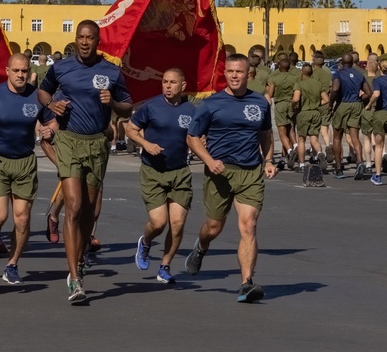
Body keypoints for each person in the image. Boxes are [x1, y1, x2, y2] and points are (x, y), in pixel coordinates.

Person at [38, 20, 133, 304]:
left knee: (89, 212)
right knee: (75, 206)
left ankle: (79, 261)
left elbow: (128, 105)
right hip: (68, 140)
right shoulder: (61, 68)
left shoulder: (111, 71)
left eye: (90, 37)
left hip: (96, 143)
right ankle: (74, 280)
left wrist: (112, 103)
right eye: (80, 37)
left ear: (97, 40)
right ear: (75, 39)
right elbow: (43, 91)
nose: (84, 42)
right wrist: (50, 104)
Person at [185, 53, 278, 303]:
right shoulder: (211, 104)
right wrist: (208, 160)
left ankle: (247, 283)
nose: (235, 76)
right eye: (230, 72)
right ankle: (201, 247)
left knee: (248, 226)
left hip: (250, 171)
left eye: (239, 71)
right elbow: (192, 137)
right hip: (220, 172)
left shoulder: (260, 103)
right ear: (224, 74)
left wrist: (268, 160)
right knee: (214, 227)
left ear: (249, 74)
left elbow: (266, 133)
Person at [0, 53, 57, 285]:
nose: (20, 75)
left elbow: (52, 122)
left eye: (24, 71)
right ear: (7, 70)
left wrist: (50, 131)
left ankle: (12, 264)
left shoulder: (36, 97)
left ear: (29, 72)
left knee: (22, 220)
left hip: (25, 163)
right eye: (16, 70)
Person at [126, 68, 196, 285]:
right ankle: (146, 242)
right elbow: (130, 129)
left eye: (172, 82)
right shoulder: (152, 106)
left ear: (182, 86)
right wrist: (146, 144)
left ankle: (165, 266)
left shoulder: (191, 110)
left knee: (177, 223)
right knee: (158, 223)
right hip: (153, 171)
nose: (167, 86)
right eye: (165, 81)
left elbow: (196, 136)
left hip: (180, 172)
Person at [329, 54, 371, 179]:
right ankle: (359, 161)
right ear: (353, 62)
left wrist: (331, 103)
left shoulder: (338, 73)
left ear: (341, 62)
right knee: (355, 136)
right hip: (356, 105)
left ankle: (338, 168)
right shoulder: (359, 74)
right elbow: (369, 92)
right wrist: (359, 98)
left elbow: (335, 89)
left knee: (337, 137)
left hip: (343, 104)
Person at [292, 64, 329, 171]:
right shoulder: (318, 84)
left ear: (302, 72)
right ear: (312, 72)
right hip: (316, 112)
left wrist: (293, 106)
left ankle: (302, 164)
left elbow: (295, 99)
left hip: (303, 112)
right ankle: (320, 153)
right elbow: (326, 99)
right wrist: (317, 104)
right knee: (314, 138)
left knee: (301, 139)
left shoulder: (299, 84)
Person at [267, 56, 299, 169]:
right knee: (291, 128)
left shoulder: (275, 79)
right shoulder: (294, 78)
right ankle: (295, 145)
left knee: (282, 131)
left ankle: (290, 151)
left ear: (279, 67)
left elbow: (270, 94)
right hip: (291, 104)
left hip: (280, 104)